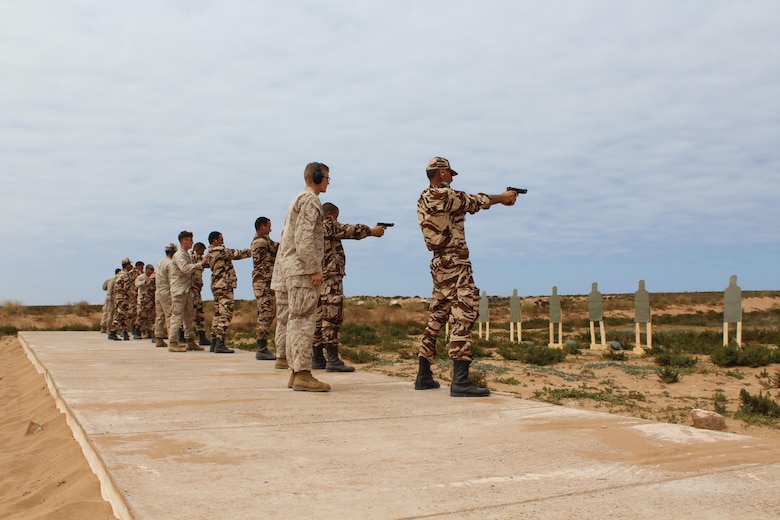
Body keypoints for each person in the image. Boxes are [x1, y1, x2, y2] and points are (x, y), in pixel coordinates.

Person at [415, 156, 517, 397]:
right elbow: (474, 201)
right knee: (464, 312)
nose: (452, 177)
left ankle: (424, 374)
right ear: (441, 173)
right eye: (450, 173)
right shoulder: (444, 195)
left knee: (438, 315)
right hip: (455, 261)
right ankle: (460, 379)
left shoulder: (423, 198)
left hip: (439, 263)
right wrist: (503, 198)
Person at [271, 161, 330, 392]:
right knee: (305, 322)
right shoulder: (311, 201)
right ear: (316, 177)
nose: (327, 181)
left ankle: (296, 373)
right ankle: (303, 373)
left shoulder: (297, 199)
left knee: (296, 321)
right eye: (326, 177)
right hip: (302, 271)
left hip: (291, 270)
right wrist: (313, 268)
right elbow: (304, 238)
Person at [312, 203, 385, 371]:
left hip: (318, 280)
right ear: (329, 214)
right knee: (332, 318)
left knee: (318, 319)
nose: (336, 220)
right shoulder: (327, 224)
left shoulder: (313, 229)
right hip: (331, 280)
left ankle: (317, 358)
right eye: (336, 216)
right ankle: (332, 360)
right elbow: (350, 230)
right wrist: (371, 231)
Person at [207, 231, 251, 354]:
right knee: (225, 313)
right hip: (224, 285)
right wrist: (251, 251)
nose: (223, 241)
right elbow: (236, 254)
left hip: (216, 285)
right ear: (215, 241)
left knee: (217, 313)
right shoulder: (220, 250)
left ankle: (214, 342)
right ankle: (220, 342)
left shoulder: (209, 253)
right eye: (221, 239)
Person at [168, 231, 207, 352]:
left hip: (186, 289)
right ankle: (172, 342)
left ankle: (190, 341)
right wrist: (200, 264)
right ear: (184, 241)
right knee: (177, 316)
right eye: (190, 240)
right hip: (179, 290)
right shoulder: (179, 255)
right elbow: (184, 269)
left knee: (189, 316)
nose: (192, 242)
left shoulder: (185, 254)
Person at [251, 216, 278, 360]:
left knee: (269, 314)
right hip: (263, 284)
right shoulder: (261, 242)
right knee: (265, 315)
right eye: (269, 226)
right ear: (262, 227)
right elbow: (278, 247)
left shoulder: (264, 241)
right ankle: (261, 349)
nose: (270, 229)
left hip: (266, 283)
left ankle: (263, 347)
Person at [153, 243, 177, 348]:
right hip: (167, 292)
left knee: (159, 316)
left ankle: (158, 338)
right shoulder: (170, 264)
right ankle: (173, 340)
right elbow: (172, 279)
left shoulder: (160, 263)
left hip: (158, 292)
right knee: (170, 316)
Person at [108, 258, 134, 341]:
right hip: (123, 298)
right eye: (130, 264)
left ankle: (125, 332)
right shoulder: (125, 275)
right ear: (127, 265)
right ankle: (113, 332)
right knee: (120, 315)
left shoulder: (119, 274)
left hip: (118, 297)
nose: (131, 266)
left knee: (123, 316)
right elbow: (127, 288)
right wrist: (133, 295)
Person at [190, 242, 210, 346]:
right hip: (191, 290)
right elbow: (188, 271)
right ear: (198, 249)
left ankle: (202, 336)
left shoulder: (199, 258)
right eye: (202, 250)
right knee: (190, 313)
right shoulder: (191, 257)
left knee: (199, 313)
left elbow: (207, 264)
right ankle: (183, 336)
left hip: (197, 290)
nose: (203, 253)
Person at [136, 264, 156, 339]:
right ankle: (138, 332)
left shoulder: (153, 277)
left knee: (151, 316)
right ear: (147, 269)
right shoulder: (141, 277)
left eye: (153, 269)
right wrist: (144, 281)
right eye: (151, 269)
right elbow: (137, 284)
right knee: (141, 316)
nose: (152, 271)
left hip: (151, 299)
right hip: (142, 299)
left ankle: (150, 332)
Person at [100, 268, 120, 333]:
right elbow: (110, 287)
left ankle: (103, 327)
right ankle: (108, 327)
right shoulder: (115, 279)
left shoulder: (109, 278)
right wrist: (110, 295)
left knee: (106, 311)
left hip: (109, 297)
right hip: (113, 297)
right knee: (111, 312)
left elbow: (104, 287)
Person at [130, 261, 144, 339]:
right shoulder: (133, 273)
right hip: (134, 295)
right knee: (134, 313)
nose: (142, 268)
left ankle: (140, 331)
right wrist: (134, 296)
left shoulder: (142, 273)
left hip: (140, 295)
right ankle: (135, 331)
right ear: (138, 266)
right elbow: (133, 285)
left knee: (138, 313)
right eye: (141, 266)